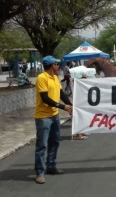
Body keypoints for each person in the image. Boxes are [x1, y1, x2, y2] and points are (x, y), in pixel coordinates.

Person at [34, 55, 73, 184]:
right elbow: (45, 99)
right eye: (56, 64)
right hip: (43, 117)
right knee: (42, 145)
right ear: (52, 65)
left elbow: (61, 94)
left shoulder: (55, 77)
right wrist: (63, 107)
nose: (58, 66)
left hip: (54, 115)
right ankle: (39, 172)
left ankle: (51, 166)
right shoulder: (41, 78)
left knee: (55, 142)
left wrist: (71, 106)